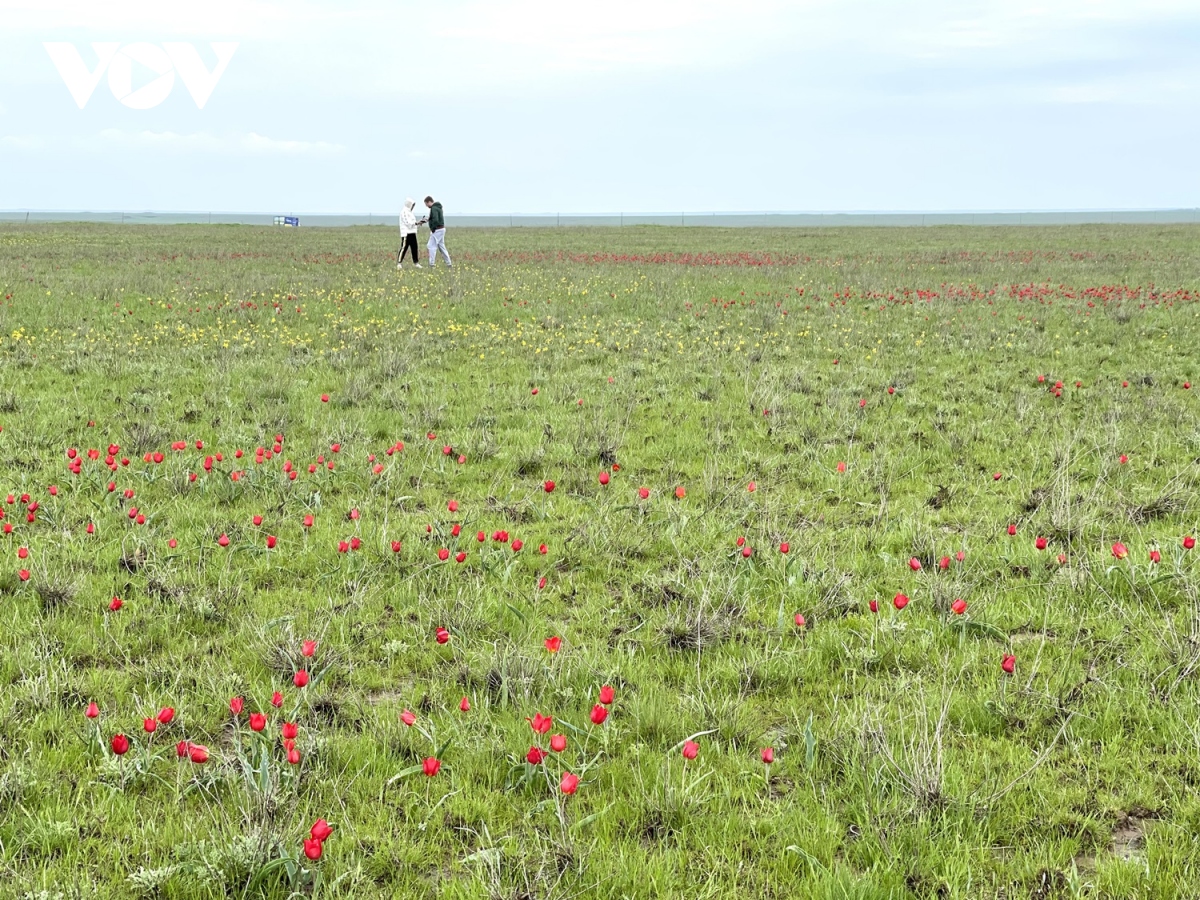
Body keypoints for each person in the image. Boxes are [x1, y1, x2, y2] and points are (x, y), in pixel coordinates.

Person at [424, 195, 451, 268]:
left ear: (429, 202)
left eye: (426, 204)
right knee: (441, 246)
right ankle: (449, 263)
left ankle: (431, 264)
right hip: (441, 229)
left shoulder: (433, 208)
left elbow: (435, 219)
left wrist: (432, 228)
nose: (427, 206)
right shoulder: (438, 208)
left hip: (437, 229)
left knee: (431, 246)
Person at [397, 198, 422, 269]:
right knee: (404, 247)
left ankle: (416, 262)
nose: (413, 207)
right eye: (412, 205)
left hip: (412, 232)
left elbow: (413, 223)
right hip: (406, 233)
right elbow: (407, 223)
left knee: (414, 247)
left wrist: (418, 223)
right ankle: (399, 263)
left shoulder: (410, 213)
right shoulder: (404, 212)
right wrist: (416, 223)